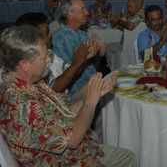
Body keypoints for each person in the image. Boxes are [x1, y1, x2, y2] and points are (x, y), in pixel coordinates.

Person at [0, 25, 136, 166]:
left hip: (74, 153)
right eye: (44, 57)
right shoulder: (21, 103)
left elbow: (64, 113)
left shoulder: (29, 82)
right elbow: (73, 140)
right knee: (127, 159)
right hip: (62, 161)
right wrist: (90, 103)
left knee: (128, 157)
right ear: (24, 65)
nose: (49, 60)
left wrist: (92, 96)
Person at [15, 12, 98, 95]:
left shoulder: (49, 52)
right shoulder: (30, 60)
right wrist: (76, 63)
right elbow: (51, 91)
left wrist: (84, 59)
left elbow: (68, 74)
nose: (51, 34)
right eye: (47, 32)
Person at [53, 0, 105, 97]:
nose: (87, 12)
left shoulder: (82, 34)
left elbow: (93, 67)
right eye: (83, 10)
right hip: (75, 90)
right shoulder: (59, 38)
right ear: (70, 14)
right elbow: (65, 75)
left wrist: (99, 53)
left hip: (92, 82)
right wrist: (85, 58)